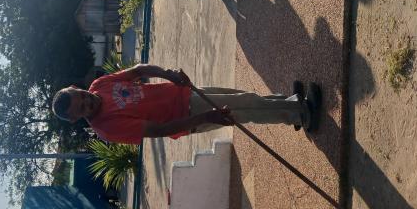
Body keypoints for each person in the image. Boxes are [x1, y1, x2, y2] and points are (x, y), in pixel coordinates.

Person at [51, 64, 322, 144]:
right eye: (82, 108)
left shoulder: (98, 85)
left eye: (81, 96)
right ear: (76, 119)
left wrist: (168, 75)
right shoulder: (106, 128)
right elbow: (160, 130)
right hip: (189, 115)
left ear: (77, 87)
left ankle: (289, 103)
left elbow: (138, 71)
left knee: (243, 97)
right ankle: (299, 113)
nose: (88, 101)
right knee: (244, 109)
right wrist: (206, 118)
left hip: (183, 92)